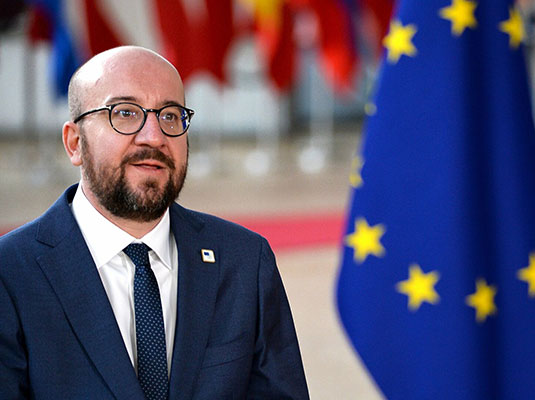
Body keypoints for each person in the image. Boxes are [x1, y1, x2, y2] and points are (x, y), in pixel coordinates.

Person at [0, 46, 309, 399]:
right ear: (75, 143)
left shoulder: (244, 261)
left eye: (170, 115)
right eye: (125, 113)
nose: (154, 137)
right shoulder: (10, 273)